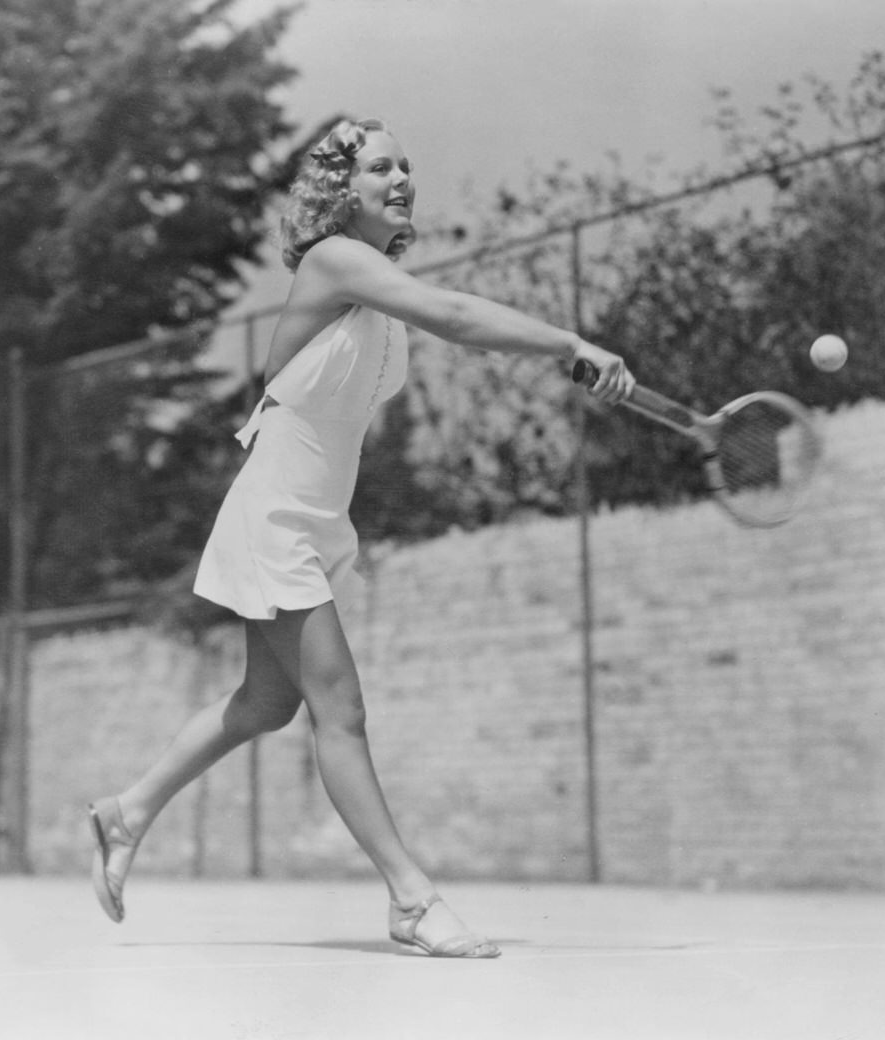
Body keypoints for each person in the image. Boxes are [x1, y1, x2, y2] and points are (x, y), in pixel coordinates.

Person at [88, 118, 634, 959]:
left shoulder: (374, 285)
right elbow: (453, 314)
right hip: (274, 516)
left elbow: (454, 324)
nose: (402, 176)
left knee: (266, 705)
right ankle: (412, 899)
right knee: (339, 711)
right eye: (382, 165)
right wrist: (568, 340)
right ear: (342, 191)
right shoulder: (334, 260)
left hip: (314, 520)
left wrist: (555, 360)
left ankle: (127, 812)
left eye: (408, 164)